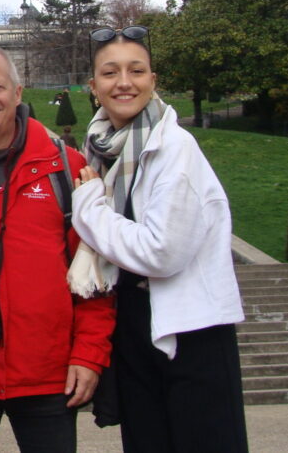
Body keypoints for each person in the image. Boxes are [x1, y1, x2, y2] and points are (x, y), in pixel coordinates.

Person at [0, 45, 114, 453]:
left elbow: (95, 274)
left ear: (18, 92)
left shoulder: (68, 167)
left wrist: (88, 354)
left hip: (47, 373)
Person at [71, 26, 248, 453]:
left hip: (192, 331)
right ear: (94, 87)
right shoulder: (99, 148)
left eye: (137, 70)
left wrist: (89, 207)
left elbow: (161, 251)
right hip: (134, 325)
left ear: (153, 81)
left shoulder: (176, 147)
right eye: (111, 73)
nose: (124, 82)